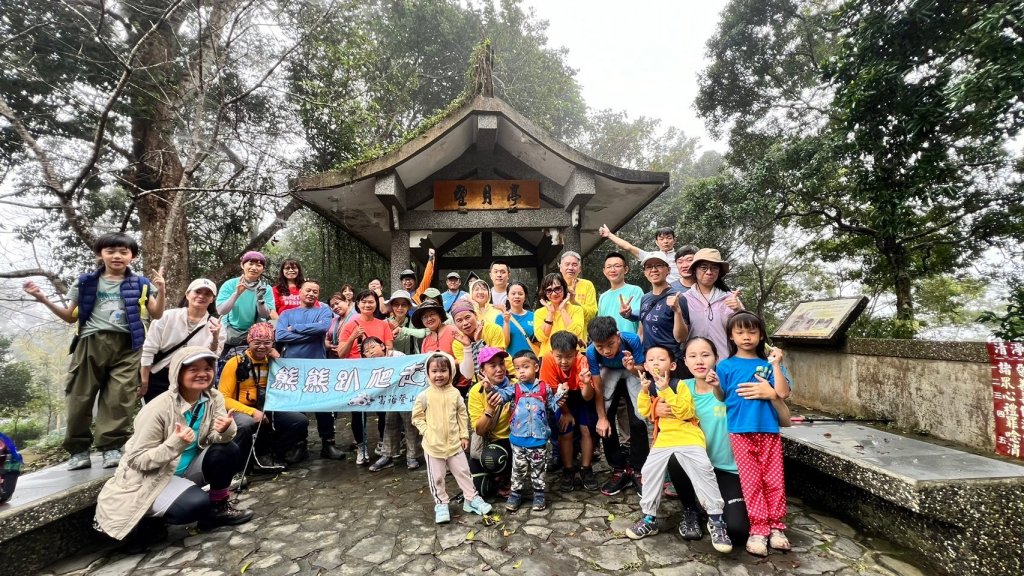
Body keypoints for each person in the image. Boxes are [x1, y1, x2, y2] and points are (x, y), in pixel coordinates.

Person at [23, 232, 166, 470]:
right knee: (80, 397)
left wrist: (161, 290)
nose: (117, 256)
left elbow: (157, 313)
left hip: (128, 345)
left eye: (123, 251)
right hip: (91, 342)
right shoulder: (86, 282)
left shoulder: (141, 283)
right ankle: (78, 451)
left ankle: (111, 447)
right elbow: (70, 317)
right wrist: (43, 299)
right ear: (101, 254)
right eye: (111, 251)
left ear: (132, 256)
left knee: (119, 398)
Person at [94, 346, 252, 544]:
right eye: (193, 370)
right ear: (178, 372)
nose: (202, 374)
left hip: (188, 469)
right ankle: (151, 518)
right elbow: (137, 460)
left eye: (207, 368)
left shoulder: (213, 398)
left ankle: (218, 509)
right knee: (195, 505)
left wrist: (225, 430)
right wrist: (175, 444)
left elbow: (216, 439)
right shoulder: (158, 408)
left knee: (227, 449)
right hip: (154, 476)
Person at [669, 336, 791, 547]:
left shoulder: (734, 387)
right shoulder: (680, 389)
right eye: (693, 356)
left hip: (730, 470)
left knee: (737, 530)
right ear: (685, 362)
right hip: (699, 466)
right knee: (674, 454)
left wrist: (773, 396)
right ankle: (691, 509)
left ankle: (720, 510)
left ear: (717, 359)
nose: (699, 361)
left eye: (705, 355)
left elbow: (785, 420)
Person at [625, 344, 733, 554]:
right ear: (645, 365)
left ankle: (716, 519)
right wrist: (645, 391)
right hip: (665, 439)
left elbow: (685, 411)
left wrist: (665, 389)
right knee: (648, 472)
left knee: (703, 469)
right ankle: (649, 517)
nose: (656, 363)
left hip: (689, 437)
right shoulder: (649, 386)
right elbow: (644, 411)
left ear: (673, 365)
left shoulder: (679, 384)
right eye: (651, 359)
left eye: (661, 359)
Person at [710, 311, 792, 557]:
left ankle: (777, 526)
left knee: (774, 480)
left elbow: (783, 393)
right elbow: (722, 397)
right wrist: (715, 384)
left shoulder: (769, 365)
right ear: (731, 336)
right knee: (752, 481)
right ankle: (758, 528)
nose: (746, 337)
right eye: (740, 332)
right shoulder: (724, 366)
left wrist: (776, 364)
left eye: (752, 331)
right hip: (740, 432)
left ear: (761, 335)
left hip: (769, 430)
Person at [411, 352, 493, 524]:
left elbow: (462, 416)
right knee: (437, 477)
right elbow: (417, 417)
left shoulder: (455, 393)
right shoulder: (424, 396)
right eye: (434, 371)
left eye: (443, 370)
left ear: (451, 372)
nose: (439, 375)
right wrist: (427, 432)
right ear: (428, 374)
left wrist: (464, 435)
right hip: (433, 447)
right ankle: (441, 503)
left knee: (464, 472)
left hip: (455, 444)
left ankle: (471, 499)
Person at [221, 322, 308, 468]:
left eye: (267, 343)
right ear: (249, 341)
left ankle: (274, 453)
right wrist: (252, 411)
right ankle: (239, 464)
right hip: (241, 408)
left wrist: (279, 359)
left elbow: (291, 382)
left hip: (268, 406)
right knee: (246, 424)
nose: (262, 347)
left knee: (299, 421)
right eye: (257, 343)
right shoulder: (235, 362)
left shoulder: (272, 361)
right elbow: (223, 397)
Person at [275, 280, 345, 460]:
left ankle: (328, 443)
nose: (311, 293)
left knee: (323, 405)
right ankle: (300, 445)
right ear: (300, 292)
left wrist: (296, 329)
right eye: (308, 290)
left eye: (315, 291)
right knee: (298, 406)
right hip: (293, 368)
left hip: (318, 366)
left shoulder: (323, 311)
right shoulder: (287, 313)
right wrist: (310, 335)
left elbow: (323, 328)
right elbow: (281, 335)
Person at [489, 350, 564, 512]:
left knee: (538, 469)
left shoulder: (544, 388)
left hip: (539, 439)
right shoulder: (514, 389)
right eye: (517, 368)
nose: (521, 371)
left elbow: (553, 406)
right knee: (518, 470)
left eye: (525, 367)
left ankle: (539, 495)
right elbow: (500, 396)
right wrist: (490, 388)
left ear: (536, 367)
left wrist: (561, 394)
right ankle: (515, 494)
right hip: (518, 439)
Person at [585, 316, 648, 497]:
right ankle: (619, 469)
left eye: (610, 344)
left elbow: (642, 370)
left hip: (631, 371)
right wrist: (602, 418)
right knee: (605, 425)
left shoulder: (632, 340)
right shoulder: (591, 352)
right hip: (608, 373)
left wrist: (631, 368)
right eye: (600, 346)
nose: (606, 351)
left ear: (618, 336)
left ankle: (639, 470)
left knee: (639, 420)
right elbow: (597, 386)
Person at [141, 278, 225, 403]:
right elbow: (149, 349)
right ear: (187, 294)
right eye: (197, 292)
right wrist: (144, 379)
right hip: (160, 374)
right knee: (157, 417)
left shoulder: (216, 324)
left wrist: (215, 338)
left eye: (207, 294)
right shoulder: (167, 316)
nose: (201, 296)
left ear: (212, 299)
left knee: (185, 418)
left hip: (192, 377)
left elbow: (213, 356)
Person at [541, 331, 598, 492]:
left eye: (569, 356)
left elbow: (588, 397)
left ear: (576, 353)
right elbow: (552, 391)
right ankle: (568, 469)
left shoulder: (582, 361)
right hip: (560, 397)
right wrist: (565, 412)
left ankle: (586, 468)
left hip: (581, 395)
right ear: (552, 353)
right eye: (559, 357)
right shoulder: (547, 360)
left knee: (586, 429)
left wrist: (586, 383)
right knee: (564, 430)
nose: (564, 361)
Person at [364, 337, 423, 472]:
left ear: (383, 346)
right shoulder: (369, 364)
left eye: (373, 347)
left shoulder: (398, 356)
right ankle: (388, 455)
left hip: (406, 396)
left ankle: (413, 456)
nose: (370, 352)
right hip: (390, 399)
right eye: (367, 351)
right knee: (390, 424)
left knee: (410, 424)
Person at [467, 347, 514, 498]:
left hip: (511, 441)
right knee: (482, 490)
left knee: (495, 457)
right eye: (492, 366)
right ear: (482, 370)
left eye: (501, 363)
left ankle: (505, 478)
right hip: (487, 442)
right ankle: (497, 476)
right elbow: (479, 430)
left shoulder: (515, 386)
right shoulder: (476, 391)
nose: (499, 369)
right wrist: (490, 409)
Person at [682, 248, 743, 361]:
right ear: (694, 270)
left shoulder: (730, 298)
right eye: (703, 267)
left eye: (714, 268)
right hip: (695, 364)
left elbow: (745, 330)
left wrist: (739, 310)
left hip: (725, 362)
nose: (709, 272)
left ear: (719, 272)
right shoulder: (684, 299)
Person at [638, 254, 688, 371]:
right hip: (650, 361)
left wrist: (677, 311)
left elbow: (681, 338)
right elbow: (641, 332)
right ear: (645, 272)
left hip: (672, 362)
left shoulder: (678, 297)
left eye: (659, 265)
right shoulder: (645, 298)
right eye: (649, 267)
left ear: (668, 270)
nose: (654, 270)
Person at [216, 251, 277, 348]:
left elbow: (265, 314)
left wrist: (260, 300)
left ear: (263, 269)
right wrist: (237, 294)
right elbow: (221, 311)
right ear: (242, 265)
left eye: (258, 265)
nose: (254, 268)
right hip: (229, 333)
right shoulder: (229, 284)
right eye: (250, 264)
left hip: (256, 335)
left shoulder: (266, 288)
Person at [450, 299, 511, 389]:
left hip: (506, 376)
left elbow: (495, 360)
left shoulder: (493, 329)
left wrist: (479, 342)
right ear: (454, 324)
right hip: (481, 381)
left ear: (476, 315)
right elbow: (468, 374)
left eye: (467, 317)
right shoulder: (458, 343)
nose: (465, 323)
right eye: (459, 320)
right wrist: (467, 347)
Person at [599, 224, 681, 284]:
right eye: (661, 239)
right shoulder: (651, 257)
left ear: (674, 240)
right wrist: (609, 235)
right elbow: (628, 247)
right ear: (656, 242)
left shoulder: (681, 257)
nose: (665, 241)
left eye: (669, 238)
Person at [534, 273, 585, 357]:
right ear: (545, 293)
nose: (554, 293)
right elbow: (541, 338)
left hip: (571, 356)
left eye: (557, 289)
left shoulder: (576, 309)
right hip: (548, 357)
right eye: (549, 290)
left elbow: (575, 333)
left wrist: (562, 310)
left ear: (564, 289)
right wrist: (550, 313)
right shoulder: (539, 313)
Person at [337, 289, 394, 358]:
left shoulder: (383, 325)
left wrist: (372, 349)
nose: (367, 305)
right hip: (355, 366)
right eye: (363, 302)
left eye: (371, 302)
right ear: (358, 304)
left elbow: (389, 348)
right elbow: (341, 355)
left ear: (376, 304)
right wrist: (352, 337)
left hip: (378, 366)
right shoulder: (348, 326)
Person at [597, 252, 644, 334]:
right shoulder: (603, 297)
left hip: (629, 343)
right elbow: (600, 324)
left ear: (626, 269)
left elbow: (641, 317)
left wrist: (629, 313)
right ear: (604, 271)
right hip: (608, 343)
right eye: (609, 267)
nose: (612, 270)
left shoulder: (635, 290)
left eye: (617, 266)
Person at [494, 281, 536, 357]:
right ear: (507, 296)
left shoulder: (534, 316)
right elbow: (504, 344)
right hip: (511, 363)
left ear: (525, 297)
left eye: (520, 294)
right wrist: (506, 322)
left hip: (531, 362)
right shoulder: (500, 318)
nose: (517, 296)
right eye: (513, 293)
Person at [558, 251, 598, 325]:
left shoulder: (587, 285)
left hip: (581, 333)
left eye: (574, 265)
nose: (570, 268)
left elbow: (592, 314)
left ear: (579, 269)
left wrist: (574, 302)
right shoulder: (555, 286)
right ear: (560, 268)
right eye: (567, 264)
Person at [387, 290, 427, 355]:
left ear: (408, 307)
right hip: (392, 361)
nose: (400, 308)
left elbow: (422, 333)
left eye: (404, 305)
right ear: (392, 306)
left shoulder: (414, 322)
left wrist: (402, 329)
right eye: (396, 304)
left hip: (412, 361)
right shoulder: (385, 323)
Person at [325, 292, 352, 358]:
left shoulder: (357, 318)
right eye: (332, 306)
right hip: (334, 358)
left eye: (337, 303)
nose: (335, 307)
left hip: (351, 357)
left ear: (346, 302)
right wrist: (329, 346)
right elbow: (326, 339)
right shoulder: (332, 321)